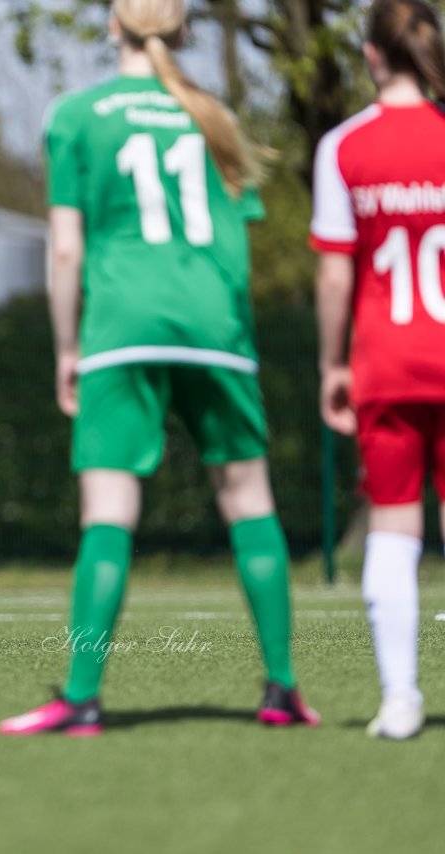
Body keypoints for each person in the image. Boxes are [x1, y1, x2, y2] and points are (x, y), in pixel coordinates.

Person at [0, 0, 319, 736]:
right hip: (215, 328)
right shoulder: (216, 116)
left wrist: (67, 349)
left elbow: (67, 249)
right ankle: (282, 690)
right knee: (250, 502)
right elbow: (237, 251)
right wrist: (234, 335)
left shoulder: (77, 114)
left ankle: (81, 697)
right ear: (182, 31)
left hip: (121, 327)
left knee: (108, 514)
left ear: (115, 27)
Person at [311, 0, 445, 741]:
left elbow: (334, 278)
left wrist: (333, 364)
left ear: (370, 54)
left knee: (395, 528)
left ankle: (400, 699)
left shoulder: (343, 146)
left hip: (388, 366)